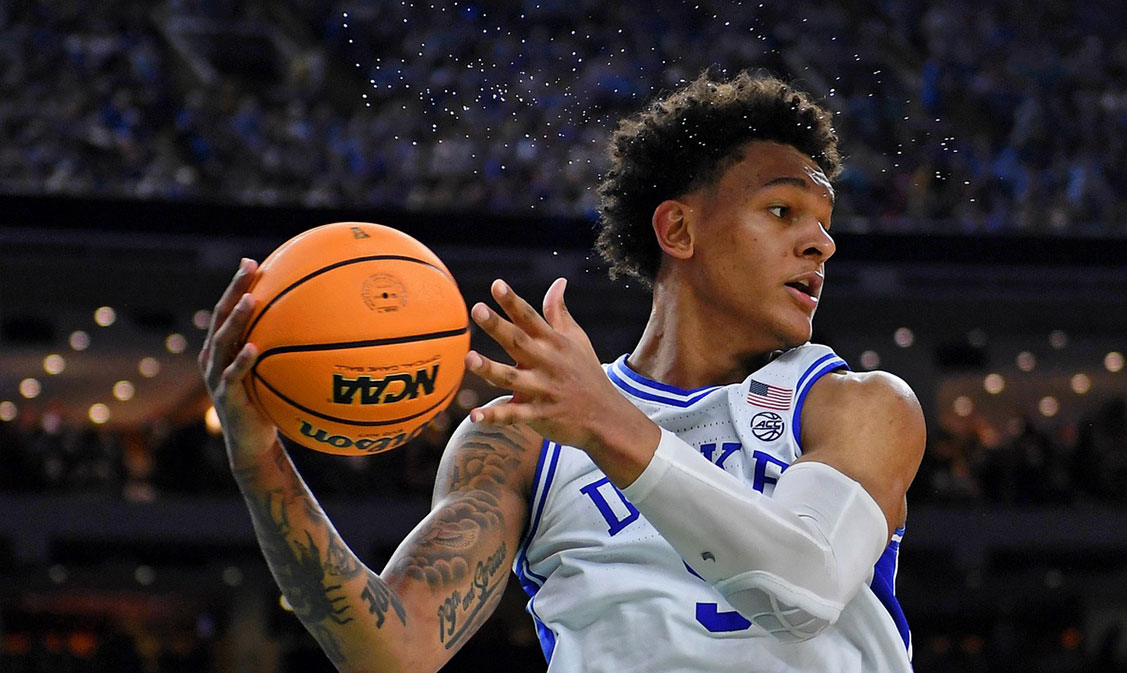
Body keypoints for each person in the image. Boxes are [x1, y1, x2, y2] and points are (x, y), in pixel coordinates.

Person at [200, 70, 926, 673]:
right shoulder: (524, 440)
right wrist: (259, 457)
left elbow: (804, 588)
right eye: (782, 209)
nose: (820, 245)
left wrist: (610, 424)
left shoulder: (853, 405)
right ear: (678, 229)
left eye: (825, 224)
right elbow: (395, 651)